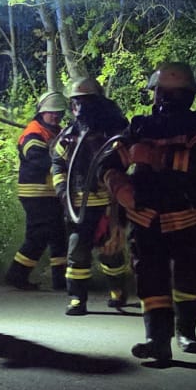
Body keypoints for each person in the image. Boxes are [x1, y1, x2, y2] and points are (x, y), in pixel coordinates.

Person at [102, 62, 196, 366]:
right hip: (147, 216)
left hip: (187, 215)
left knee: (188, 276)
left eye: (165, 93)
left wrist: (155, 156)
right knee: (151, 279)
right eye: (160, 93)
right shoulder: (140, 127)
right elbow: (107, 163)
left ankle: (186, 331)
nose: (161, 99)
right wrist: (119, 187)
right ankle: (158, 340)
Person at [53, 76, 130, 315]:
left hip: (109, 205)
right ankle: (77, 298)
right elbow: (57, 164)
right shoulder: (68, 135)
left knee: (111, 252)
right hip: (78, 206)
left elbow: (125, 162)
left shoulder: (115, 131)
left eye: (85, 101)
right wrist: (61, 192)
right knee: (77, 252)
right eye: (76, 102)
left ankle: (118, 289)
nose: (80, 107)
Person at [4, 92, 66, 289]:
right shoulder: (33, 132)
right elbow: (37, 158)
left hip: (50, 192)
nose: (55, 116)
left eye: (58, 113)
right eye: (51, 113)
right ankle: (16, 275)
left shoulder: (57, 132)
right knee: (38, 236)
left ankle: (61, 280)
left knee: (58, 235)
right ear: (41, 112)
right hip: (36, 193)